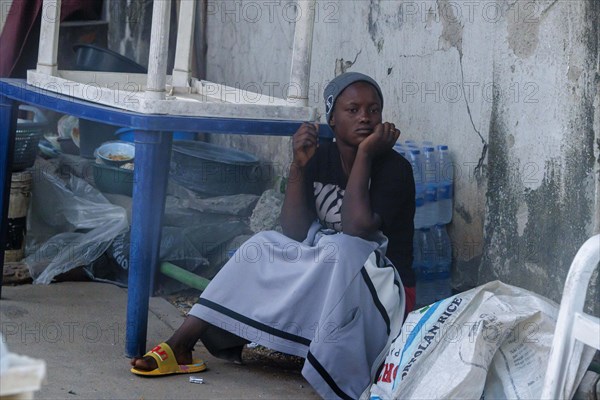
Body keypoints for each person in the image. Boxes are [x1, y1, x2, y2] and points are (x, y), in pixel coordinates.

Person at [130, 72, 416, 399]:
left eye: (373, 109)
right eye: (353, 110)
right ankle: (180, 345)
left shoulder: (395, 168)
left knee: (343, 248)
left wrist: (365, 154)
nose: (365, 117)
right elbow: (294, 232)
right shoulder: (321, 157)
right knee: (263, 245)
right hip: (332, 269)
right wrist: (298, 166)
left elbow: (357, 230)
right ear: (332, 119)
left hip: (386, 290)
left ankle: (332, 365)